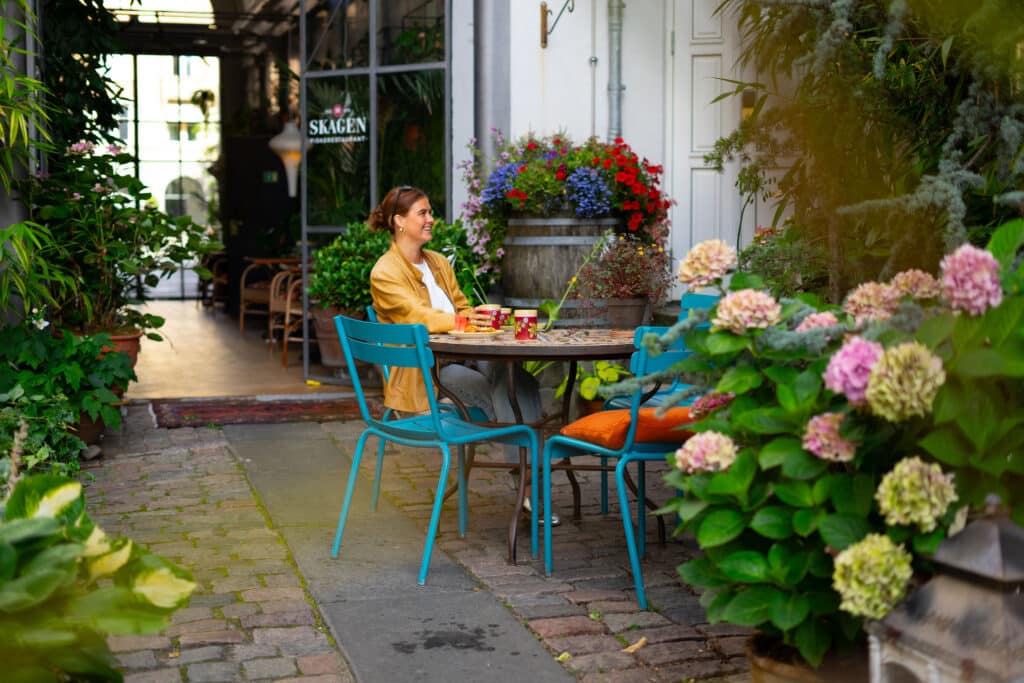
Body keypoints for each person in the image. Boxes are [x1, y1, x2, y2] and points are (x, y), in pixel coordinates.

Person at [368, 185, 556, 523]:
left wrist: (478, 316)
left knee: (514, 378)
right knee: (514, 386)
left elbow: (463, 307)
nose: (430, 219)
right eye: (422, 213)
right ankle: (530, 489)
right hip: (431, 376)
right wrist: (464, 322)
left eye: (430, 212)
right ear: (398, 221)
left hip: (466, 357)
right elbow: (418, 318)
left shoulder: (438, 262)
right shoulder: (385, 272)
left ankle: (527, 485)